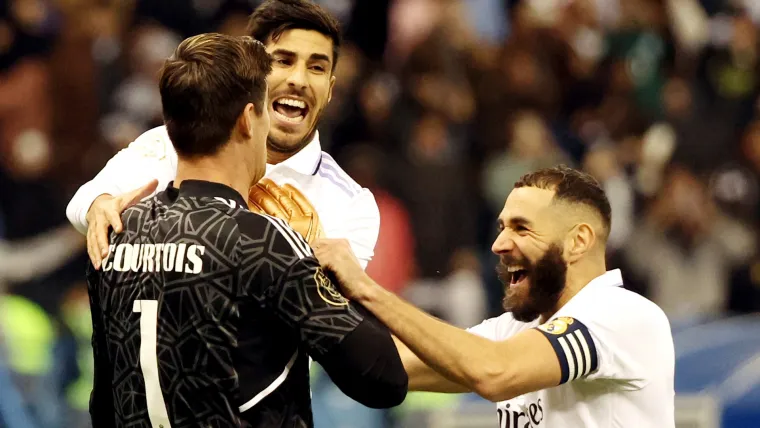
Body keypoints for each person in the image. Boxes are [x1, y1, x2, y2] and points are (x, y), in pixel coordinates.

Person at [86, 33, 406, 428]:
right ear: (246, 120)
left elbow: (104, 402)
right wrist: (325, 272)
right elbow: (383, 380)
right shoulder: (262, 240)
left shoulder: (115, 233)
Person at [314, 165, 676, 427]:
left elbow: (495, 371)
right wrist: (304, 302)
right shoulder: (515, 331)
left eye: (521, 228)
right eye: (502, 227)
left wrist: (366, 288)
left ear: (578, 241)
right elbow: (386, 366)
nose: (499, 244)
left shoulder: (621, 316)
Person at [66, 0, 379, 274]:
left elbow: (333, 317)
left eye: (317, 67)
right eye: (283, 61)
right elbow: (85, 202)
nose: (299, 80)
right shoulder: (175, 143)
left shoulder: (351, 204)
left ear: (331, 90)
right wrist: (100, 205)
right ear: (252, 73)